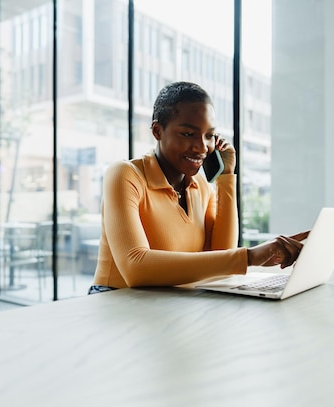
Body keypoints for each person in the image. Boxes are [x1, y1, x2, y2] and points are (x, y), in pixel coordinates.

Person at [89, 81, 308, 294]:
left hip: (169, 304)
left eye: (209, 135)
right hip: (117, 302)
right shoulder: (125, 175)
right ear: (157, 131)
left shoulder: (201, 187)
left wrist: (226, 177)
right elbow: (134, 266)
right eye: (187, 134)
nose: (202, 147)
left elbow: (223, 257)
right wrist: (250, 257)